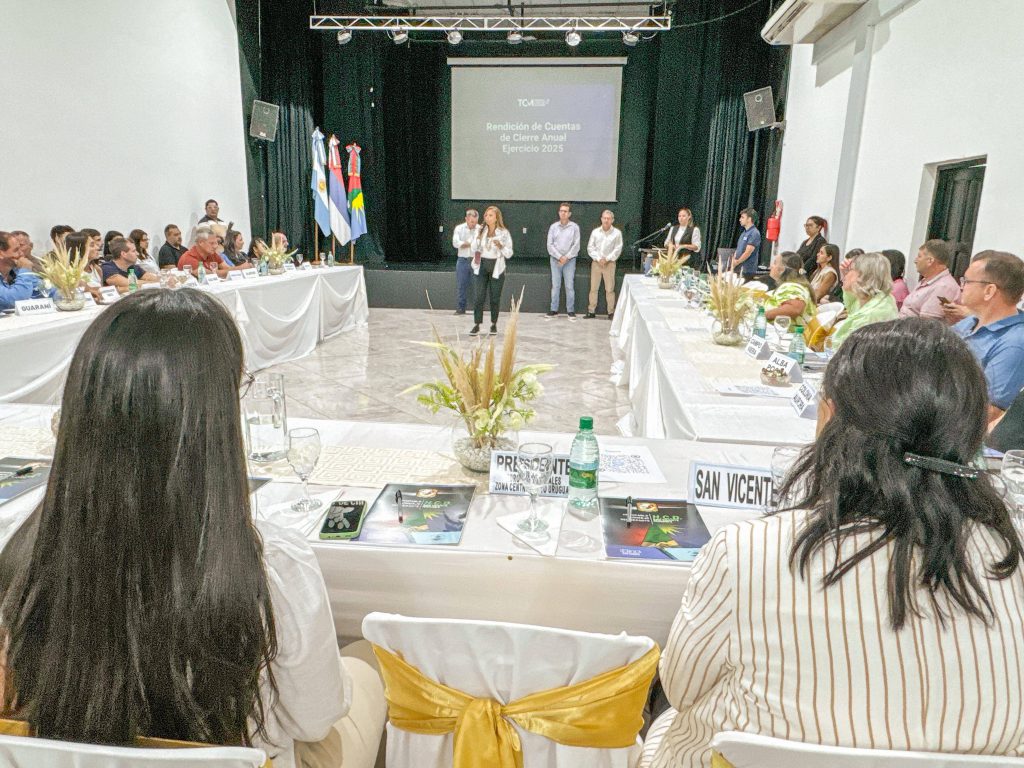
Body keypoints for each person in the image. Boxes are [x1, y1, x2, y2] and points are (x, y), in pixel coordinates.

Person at [0, 289, 386, 768]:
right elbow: (315, 720)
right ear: (212, 419)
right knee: (368, 661)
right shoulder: (271, 563)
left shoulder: (19, 543)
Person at [641, 318, 1024, 768]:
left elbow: (682, 688)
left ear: (828, 416)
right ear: (974, 432)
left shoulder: (747, 552)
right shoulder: (1010, 558)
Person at [951, 250, 1024, 421]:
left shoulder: (1014, 342)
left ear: (989, 290)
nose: (961, 286)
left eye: (967, 281)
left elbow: (988, 410)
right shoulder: (970, 322)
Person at [830, 251, 899, 347]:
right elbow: (850, 303)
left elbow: (849, 349)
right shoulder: (872, 298)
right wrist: (846, 274)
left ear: (864, 276)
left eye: (850, 270)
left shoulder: (872, 314)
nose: (845, 276)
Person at [470, 205, 513, 337]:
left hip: (496, 267)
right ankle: (477, 324)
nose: (487, 218)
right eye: (486, 215)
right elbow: (473, 249)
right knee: (479, 297)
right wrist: (477, 238)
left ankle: (494, 323)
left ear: (496, 218)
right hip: (482, 264)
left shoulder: (504, 233)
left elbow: (509, 253)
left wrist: (501, 246)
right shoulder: (480, 230)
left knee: (494, 298)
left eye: (490, 215)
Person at [898, 239, 961, 322]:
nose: (915, 261)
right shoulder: (927, 280)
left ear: (930, 261)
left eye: (919, 256)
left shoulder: (944, 286)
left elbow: (927, 324)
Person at [585, 210, 623, 320]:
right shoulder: (595, 232)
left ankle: (611, 312)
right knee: (593, 288)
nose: (606, 220)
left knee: (610, 289)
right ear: (601, 219)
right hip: (596, 263)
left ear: (612, 220)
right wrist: (598, 258)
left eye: (608, 218)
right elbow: (590, 248)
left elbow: (618, 249)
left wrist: (607, 259)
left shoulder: (617, 233)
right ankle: (591, 311)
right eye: (604, 218)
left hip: (609, 264)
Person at [546, 202, 580, 320]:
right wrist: (559, 256)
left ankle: (570, 311)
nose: (563, 213)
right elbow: (549, 245)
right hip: (555, 260)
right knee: (555, 285)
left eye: (565, 211)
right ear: (558, 212)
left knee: (569, 286)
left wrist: (566, 257)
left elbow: (576, 245)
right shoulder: (553, 227)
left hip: (569, 261)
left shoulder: (574, 227)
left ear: (569, 214)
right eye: (561, 211)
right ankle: (553, 310)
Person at [762, 251, 816, 324]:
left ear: (783, 269)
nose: (770, 266)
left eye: (775, 263)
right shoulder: (792, 285)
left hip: (785, 331)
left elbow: (795, 309)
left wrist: (762, 315)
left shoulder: (793, 287)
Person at [0, 231, 44, 310]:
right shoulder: (23, 271)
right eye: (16, 250)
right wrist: (25, 270)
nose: (22, 254)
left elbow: (46, 290)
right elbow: (17, 299)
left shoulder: (15, 272)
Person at [451, 208, 479, 316]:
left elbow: (479, 244)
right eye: (471, 222)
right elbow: (455, 243)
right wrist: (468, 244)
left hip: (476, 259)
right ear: (466, 219)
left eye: (475, 222)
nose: (473, 224)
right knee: (461, 285)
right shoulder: (459, 228)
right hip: (462, 260)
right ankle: (460, 308)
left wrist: (466, 244)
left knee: (478, 285)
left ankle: (478, 309)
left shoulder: (480, 229)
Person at [664, 208, 702, 272]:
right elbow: (666, 243)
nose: (681, 218)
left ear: (689, 217)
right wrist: (671, 246)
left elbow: (697, 247)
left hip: (688, 262)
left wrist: (683, 246)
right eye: (679, 216)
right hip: (673, 260)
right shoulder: (673, 228)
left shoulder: (694, 230)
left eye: (683, 216)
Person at [731, 208, 761, 278]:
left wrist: (737, 262)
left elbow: (748, 252)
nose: (740, 219)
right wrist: (734, 260)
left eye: (742, 217)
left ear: (749, 219)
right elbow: (738, 249)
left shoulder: (754, 233)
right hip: (738, 268)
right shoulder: (743, 233)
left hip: (747, 270)